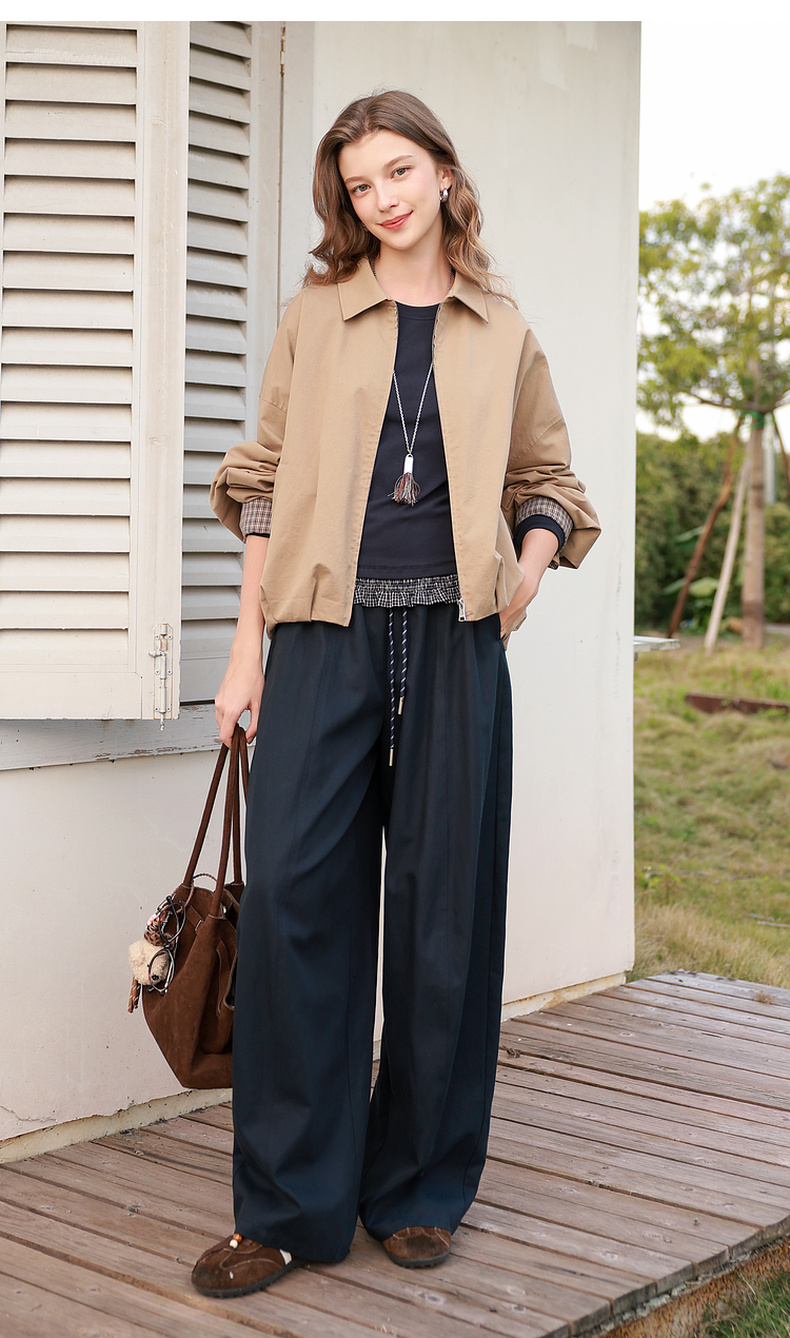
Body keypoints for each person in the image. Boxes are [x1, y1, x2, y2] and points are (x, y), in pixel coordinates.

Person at [192, 89, 600, 1300]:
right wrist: (245, 651)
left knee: (443, 923)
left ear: (442, 172)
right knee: (295, 916)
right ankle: (285, 1210)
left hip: (458, 644)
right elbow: (262, 483)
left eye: (399, 171)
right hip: (323, 636)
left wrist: (525, 575)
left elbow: (549, 478)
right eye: (360, 183)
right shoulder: (317, 316)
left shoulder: (502, 328)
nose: (382, 198)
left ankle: (418, 1189)